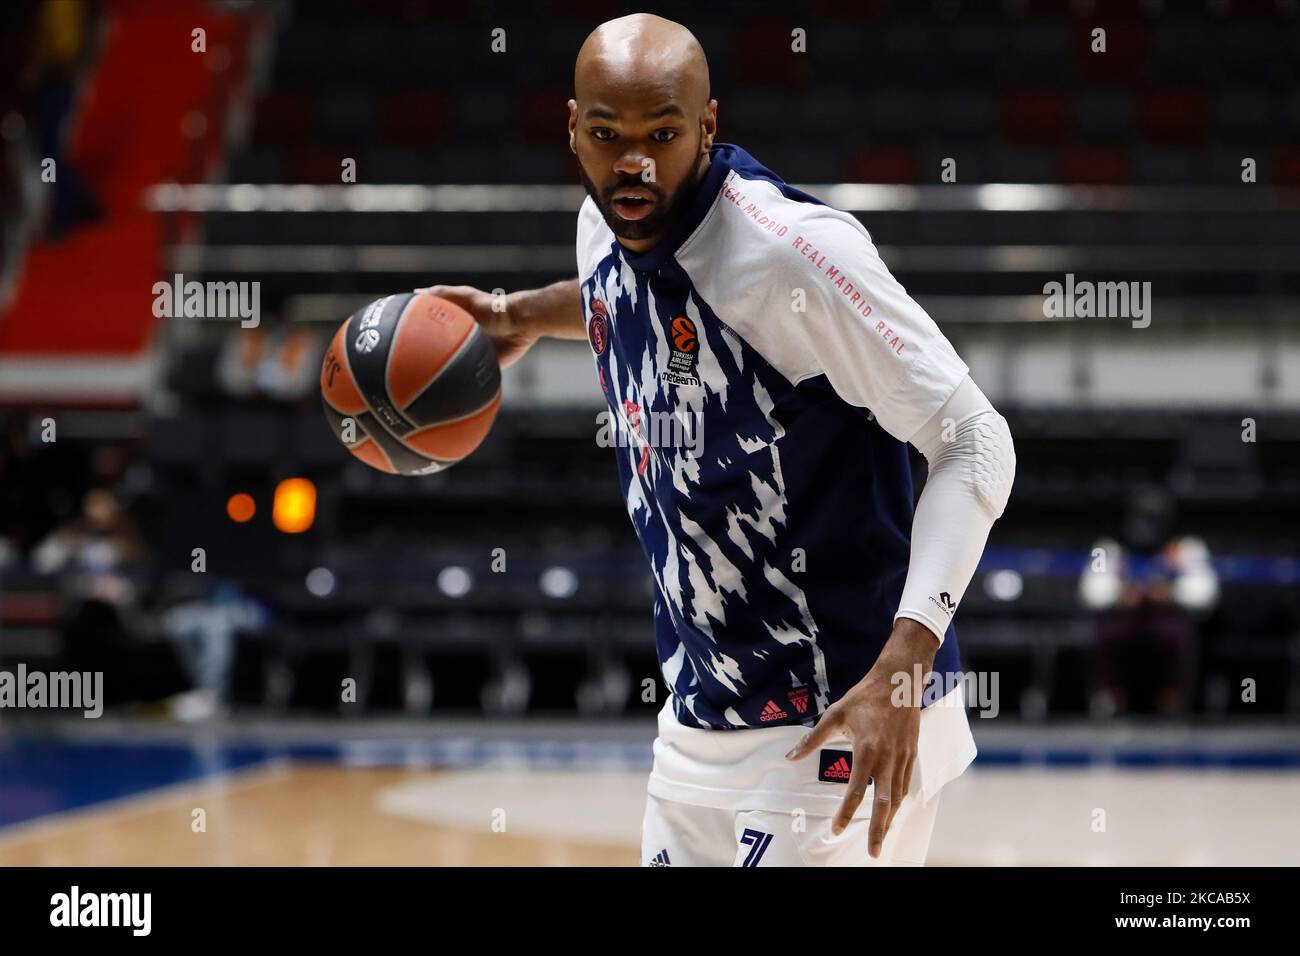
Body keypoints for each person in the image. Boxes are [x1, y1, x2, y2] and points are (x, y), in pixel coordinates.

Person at [418, 14, 1015, 866]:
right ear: (572, 128)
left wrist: (903, 668)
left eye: (662, 135)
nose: (633, 163)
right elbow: (616, 286)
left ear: (708, 125)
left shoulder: (792, 256)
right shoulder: (605, 226)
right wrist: (519, 315)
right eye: (606, 135)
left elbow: (977, 440)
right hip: (701, 714)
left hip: (844, 706)